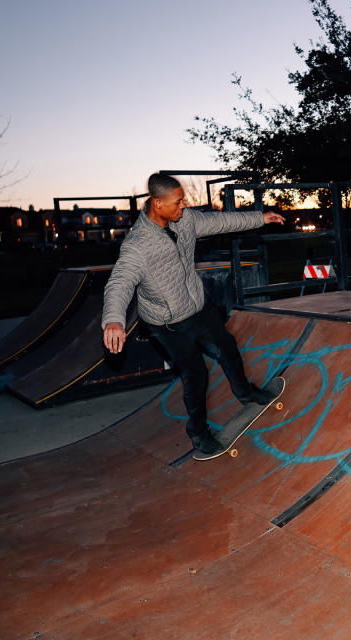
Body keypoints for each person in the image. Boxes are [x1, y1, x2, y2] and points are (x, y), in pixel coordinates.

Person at [102, 173, 286, 455]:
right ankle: (199, 435)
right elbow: (119, 282)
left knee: (226, 346)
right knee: (196, 374)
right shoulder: (136, 246)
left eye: (183, 201)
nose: (183, 207)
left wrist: (261, 217)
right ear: (157, 203)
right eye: (177, 203)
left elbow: (220, 221)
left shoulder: (184, 220)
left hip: (198, 308)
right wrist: (113, 320)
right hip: (169, 324)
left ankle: (246, 393)